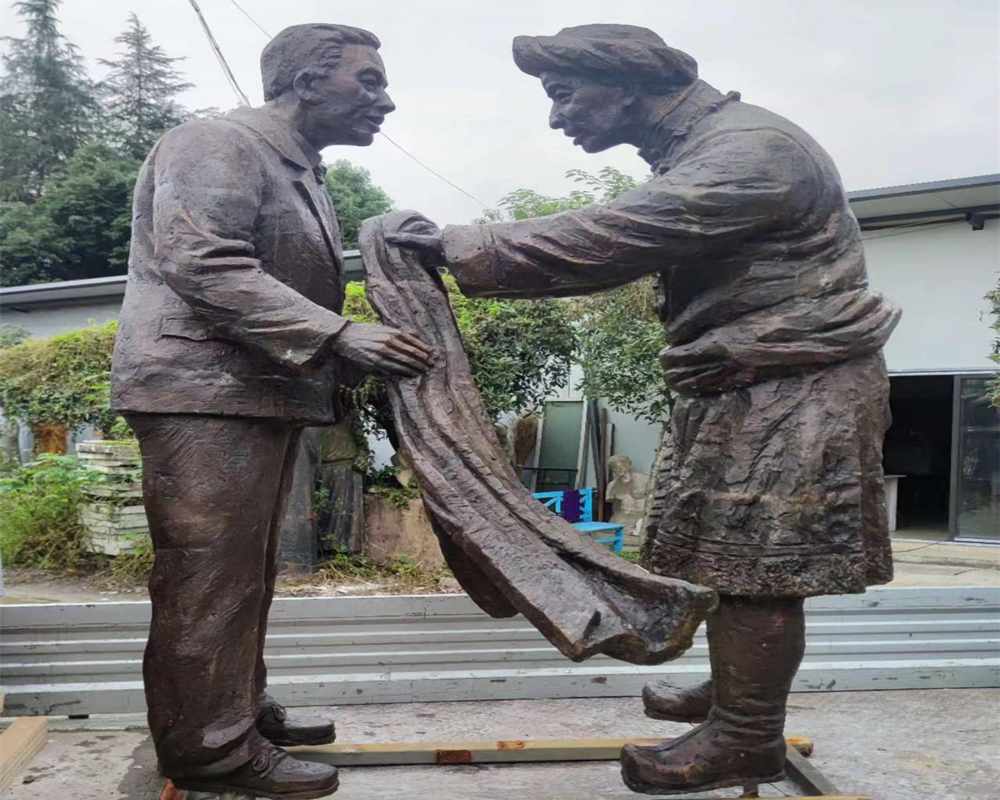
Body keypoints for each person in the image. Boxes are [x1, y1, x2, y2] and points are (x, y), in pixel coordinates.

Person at [390, 24, 900, 795]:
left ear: (625, 81)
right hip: (746, 378)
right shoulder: (706, 146)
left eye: (565, 94)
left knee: (759, 569)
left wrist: (458, 247)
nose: (558, 116)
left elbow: (617, 235)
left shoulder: (751, 150)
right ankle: (736, 692)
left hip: (795, 386)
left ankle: (746, 735)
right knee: (725, 553)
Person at [111, 23, 434, 799]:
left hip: (249, 391)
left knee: (245, 573)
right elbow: (202, 261)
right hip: (199, 390)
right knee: (208, 576)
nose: (385, 100)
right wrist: (339, 334)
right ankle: (209, 751)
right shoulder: (216, 142)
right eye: (368, 81)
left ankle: (233, 711)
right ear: (306, 81)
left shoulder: (301, 168)